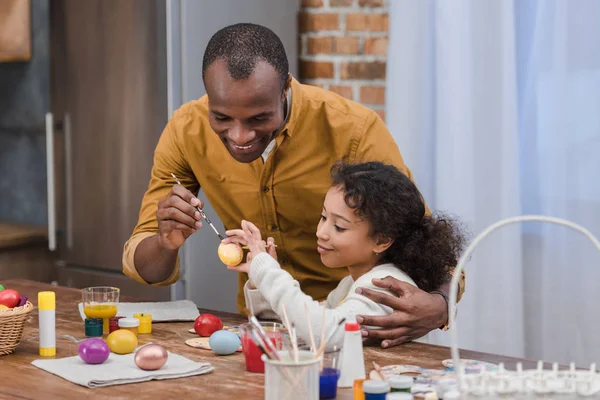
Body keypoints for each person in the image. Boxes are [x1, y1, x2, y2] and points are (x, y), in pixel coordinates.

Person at [122, 23, 466, 347]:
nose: (240, 136)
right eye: (222, 118)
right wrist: (166, 242)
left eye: (259, 118)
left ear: (285, 87)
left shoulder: (354, 130)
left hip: (358, 336)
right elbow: (145, 266)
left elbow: (422, 241)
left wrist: (439, 306)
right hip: (270, 328)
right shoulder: (186, 130)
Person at [222, 161, 467, 348]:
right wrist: (259, 280)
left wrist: (268, 272)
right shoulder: (349, 284)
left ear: (381, 240)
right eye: (323, 217)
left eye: (339, 227)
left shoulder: (383, 286)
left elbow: (325, 333)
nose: (321, 233)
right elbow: (293, 327)